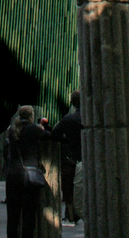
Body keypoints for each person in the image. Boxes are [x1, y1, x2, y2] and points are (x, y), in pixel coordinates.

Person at [5, 105, 52, 238]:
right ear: (31, 116)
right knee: (29, 214)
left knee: (13, 214)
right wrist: (44, 127)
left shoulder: (12, 130)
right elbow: (49, 136)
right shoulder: (33, 129)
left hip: (13, 173)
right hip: (29, 175)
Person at [52, 90, 82, 225]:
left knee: (69, 189)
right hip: (87, 158)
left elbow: (54, 134)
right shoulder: (93, 118)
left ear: (72, 103)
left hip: (71, 159)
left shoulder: (68, 120)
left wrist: (65, 140)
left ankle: (70, 216)